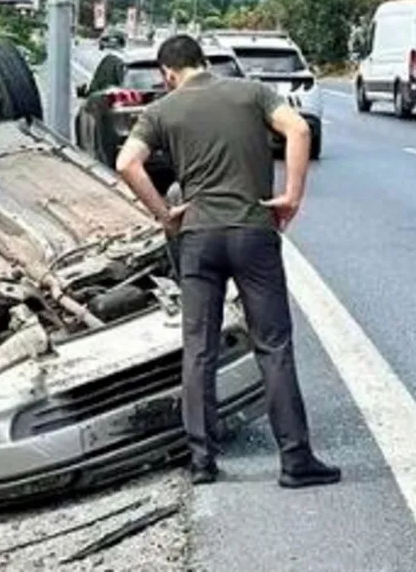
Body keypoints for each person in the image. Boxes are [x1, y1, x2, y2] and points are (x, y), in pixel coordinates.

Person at [114, 34, 340, 488]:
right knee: (273, 345)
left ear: (168, 73)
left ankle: (201, 462)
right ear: (204, 62)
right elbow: (298, 129)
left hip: (198, 236)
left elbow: (126, 163)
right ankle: (295, 459)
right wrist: (291, 197)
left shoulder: (162, 110)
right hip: (254, 232)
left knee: (198, 348)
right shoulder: (251, 92)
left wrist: (164, 215)